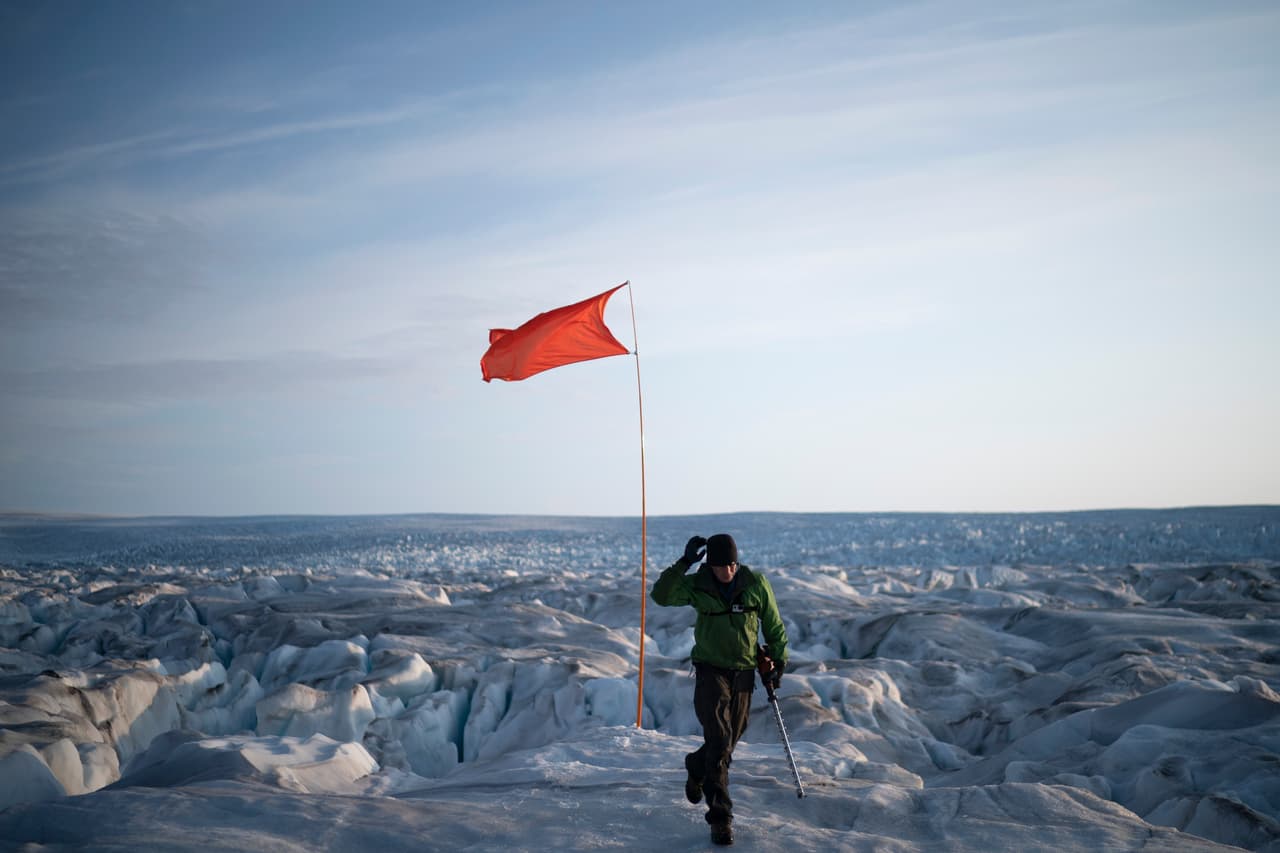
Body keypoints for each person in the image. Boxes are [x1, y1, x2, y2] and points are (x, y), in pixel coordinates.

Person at [650, 533, 789, 847]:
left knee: (730, 739)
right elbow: (661, 595)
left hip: (743, 670)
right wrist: (684, 562)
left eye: (731, 564)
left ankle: (696, 765)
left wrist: (778, 660)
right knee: (720, 739)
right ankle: (720, 818)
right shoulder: (698, 586)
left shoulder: (756, 584)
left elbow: (773, 624)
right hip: (710, 670)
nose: (727, 571)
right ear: (710, 565)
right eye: (720, 565)